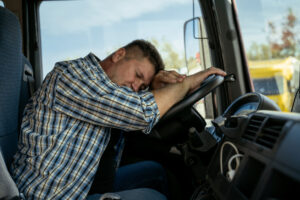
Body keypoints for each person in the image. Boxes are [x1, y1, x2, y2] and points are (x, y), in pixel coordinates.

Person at [11, 39, 226, 200]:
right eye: (138, 75)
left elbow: (133, 102)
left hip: (86, 183)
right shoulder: (74, 75)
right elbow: (142, 112)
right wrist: (185, 84)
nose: (136, 87)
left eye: (142, 87)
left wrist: (152, 88)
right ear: (119, 54)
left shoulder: (112, 92)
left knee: (156, 171)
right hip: (51, 195)